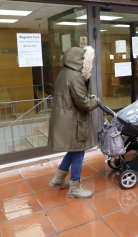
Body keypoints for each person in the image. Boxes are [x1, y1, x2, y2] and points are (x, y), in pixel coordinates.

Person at [48, 46, 100, 198]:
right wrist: (95, 101)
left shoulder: (63, 73)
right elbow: (83, 104)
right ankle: (75, 188)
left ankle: (58, 178)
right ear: (81, 61)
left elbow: (74, 97)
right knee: (79, 152)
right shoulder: (75, 76)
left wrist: (86, 97)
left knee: (73, 149)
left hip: (65, 118)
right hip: (73, 121)